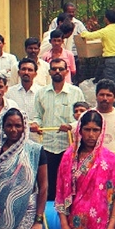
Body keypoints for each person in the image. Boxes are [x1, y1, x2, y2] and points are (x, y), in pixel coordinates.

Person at [30, 58, 86, 200]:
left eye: (61, 69)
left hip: (68, 147)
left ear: (67, 71)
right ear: (49, 72)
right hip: (47, 146)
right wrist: (35, 124)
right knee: (47, 185)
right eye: (54, 69)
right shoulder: (41, 93)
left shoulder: (76, 92)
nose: (57, 71)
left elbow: (83, 117)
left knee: (67, 184)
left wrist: (70, 126)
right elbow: (37, 115)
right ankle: (48, 218)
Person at [79, 9, 115, 84]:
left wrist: (82, 33)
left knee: (109, 82)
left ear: (106, 19)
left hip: (110, 60)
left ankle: (111, 94)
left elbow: (90, 36)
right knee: (106, 77)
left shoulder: (105, 31)